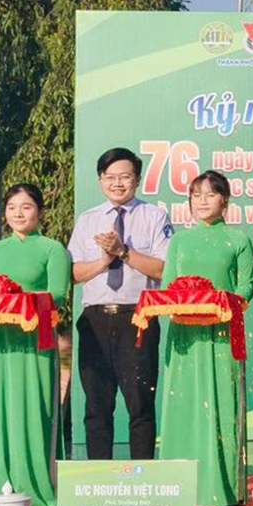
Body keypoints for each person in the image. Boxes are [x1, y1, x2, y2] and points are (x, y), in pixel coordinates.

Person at [156, 170, 253, 506]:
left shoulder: (238, 239)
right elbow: (169, 286)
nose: (202, 201)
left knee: (220, 404)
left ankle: (220, 489)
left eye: (210, 195)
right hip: (184, 335)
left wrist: (217, 302)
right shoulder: (180, 241)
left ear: (225, 200)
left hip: (222, 334)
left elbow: (245, 289)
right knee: (182, 403)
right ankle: (177, 488)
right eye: (196, 195)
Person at [0, 184, 72, 506]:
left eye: (26, 206)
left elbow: (57, 295)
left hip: (34, 338)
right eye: (12, 206)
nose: (18, 213)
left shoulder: (53, 249)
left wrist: (19, 303)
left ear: (40, 212)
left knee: (33, 408)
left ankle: (35, 485)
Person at [68, 147, 171, 460]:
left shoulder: (155, 216)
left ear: (137, 179)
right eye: (110, 177)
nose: (117, 183)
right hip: (95, 319)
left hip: (137, 318)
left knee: (140, 404)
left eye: (124, 177)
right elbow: (72, 273)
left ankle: (142, 477)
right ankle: (98, 477)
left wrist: (124, 252)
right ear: (100, 181)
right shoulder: (87, 220)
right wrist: (104, 260)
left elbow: (164, 269)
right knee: (97, 405)